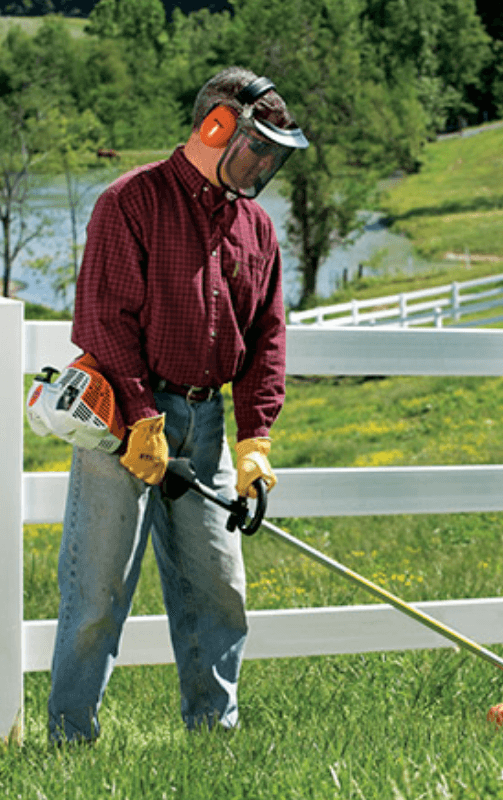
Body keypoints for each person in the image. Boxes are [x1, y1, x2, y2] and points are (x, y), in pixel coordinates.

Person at [47, 66, 308, 744]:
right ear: (216, 127)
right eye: (259, 147)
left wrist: (255, 441)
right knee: (97, 593)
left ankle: (213, 739)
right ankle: (71, 742)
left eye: (276, 155)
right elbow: (104, 319)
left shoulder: (256, 229)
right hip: (124, 418)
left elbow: (267, 338)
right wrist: (143, 417)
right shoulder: (130, 202)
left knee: (219, 590)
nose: (265, 165)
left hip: (209, 424)